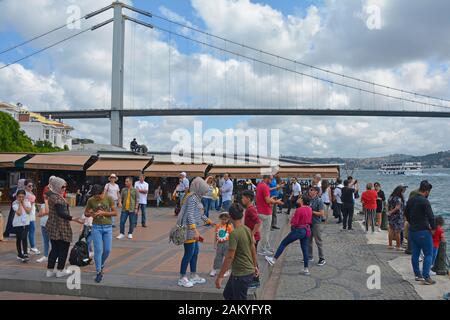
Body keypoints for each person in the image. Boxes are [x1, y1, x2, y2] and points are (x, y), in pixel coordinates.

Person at [215, 203, 259, 300]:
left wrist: (220, 276)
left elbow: (230, 257)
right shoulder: (247, 229)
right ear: (242, 215)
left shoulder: (234, 234)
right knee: (228, 294)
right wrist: (254, 265)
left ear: (230, 217)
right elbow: (253, 249)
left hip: (241, 274)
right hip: (241, 272)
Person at [177, 177, 213, 288]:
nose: (205, 191)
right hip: (189, 230)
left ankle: (193, 275)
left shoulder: (197, 198)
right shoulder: (192, 198)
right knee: (189, 253)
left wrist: (208, 221)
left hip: (192, 230)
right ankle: (182, 277)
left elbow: (199, 213)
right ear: (198, 187)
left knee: (195, 252)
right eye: (203, 188)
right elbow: (190, 215)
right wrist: (195, 230)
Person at [45, 177, 83, 278]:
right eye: (62, 186)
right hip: (61, 227)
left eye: (65, 186)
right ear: (57, 186)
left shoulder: (52, 195)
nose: (64, 188)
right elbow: (61, 213)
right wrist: (74, 218)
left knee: (54, 249)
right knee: (63, 249)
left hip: (53, 225)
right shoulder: (57, 198)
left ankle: (49, 271)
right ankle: (60, 270)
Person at [265, 195, 312, 275]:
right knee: (305, 249)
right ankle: (306, 268)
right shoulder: (310, 209)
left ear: (302, 200)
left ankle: (273, 260)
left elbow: (295, 222)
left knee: (284, 243)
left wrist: (291, 220)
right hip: (306, 230)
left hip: (298, 230)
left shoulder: (299, 210)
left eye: (300, 198)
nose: (298, 199)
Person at [404, 180, 436, 285]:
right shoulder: (425, 201)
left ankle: (418, 275)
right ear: (427, 191)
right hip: (423, 231)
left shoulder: (411, 200)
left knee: (415, 254)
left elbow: (406, 213)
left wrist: (411, 222)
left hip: (412, 231)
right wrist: (434, 228)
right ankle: (426, 276)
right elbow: (431, 217)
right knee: (428, 254)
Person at [85, 184, 118, 283]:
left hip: (108, 227)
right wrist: (92, 214)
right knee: (98, 250)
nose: (96, 197)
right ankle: (98, 271)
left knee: (107, 250)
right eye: (95, 196)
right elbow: (86, 213)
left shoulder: (109, 198)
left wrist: (103, 213)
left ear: (103, 192)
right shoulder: (91, 200)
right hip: (96, 227)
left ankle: (101, 263)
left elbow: (115, 213)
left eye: (98, 195)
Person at [256, 175, 284, 256]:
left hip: (260, 210)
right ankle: (262, 249)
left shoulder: (261, 184)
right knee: (266, 231)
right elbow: (268, 200)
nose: (272, 181)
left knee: (265, 230)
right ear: (266, 178)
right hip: (265, 211)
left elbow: (267, 193)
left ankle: (266, 246)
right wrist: (276, 202)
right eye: (271, 179)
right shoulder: (264, 186)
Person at [242, 190, 262, 288]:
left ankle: (255, 280)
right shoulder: (250, 208)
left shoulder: (250, 209)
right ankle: (252, 278)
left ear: (248, 198)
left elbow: (258, 222)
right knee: (251, 257)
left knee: (252, 258)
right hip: (253, 237)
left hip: (253, 238)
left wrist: (252, 235)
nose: (242, 199)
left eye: (243, 197)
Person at [209, 213, 233, 277]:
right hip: (220, 244)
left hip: (227, 243)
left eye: (225, 219)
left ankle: (227, 270)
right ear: (220, 219)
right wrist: (214, 243)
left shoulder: (229, 227)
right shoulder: (218, 226)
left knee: (227, 257)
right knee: (218, 257)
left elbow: (231, 236)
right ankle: (214, 269)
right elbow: (216, 235)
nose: (224, 221)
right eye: (222, 219)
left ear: (228, 219)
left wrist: (231, 245)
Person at [308, 187, 326, 266]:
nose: (310, 191)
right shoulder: (308, 200)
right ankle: (310, 256)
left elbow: (321, 214)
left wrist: (311, 212)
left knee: (318, 241)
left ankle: (322, 258)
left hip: (316, 223)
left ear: (316, 192)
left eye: (312, 190)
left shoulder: (319, 201)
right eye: (310, 190)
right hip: (308, 223)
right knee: (308, 241)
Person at [12, 190, 31, 262]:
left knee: (24, 237)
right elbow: (19, 213)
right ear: (17, 196)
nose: (21, 198)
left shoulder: (27, 202)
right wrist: (20, 204)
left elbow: (28, 211)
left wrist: (23, 204)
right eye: (19, 197)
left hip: (26, 223)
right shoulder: (14, 203)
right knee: (19, 238)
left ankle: (25, 253)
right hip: (17, 223)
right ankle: (19, 254)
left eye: (23, 197)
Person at [387, 186, 406, 250]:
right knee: (398, 231)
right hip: (398, 216)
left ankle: (390, 245)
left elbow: (387, 205)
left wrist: (389, 212)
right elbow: (397, 207)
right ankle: (398, 246)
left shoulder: (391, 197)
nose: (404, 191)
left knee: (391, 230)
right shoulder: (398, 198)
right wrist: (392, 212)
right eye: (403, 190)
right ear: (400, 191)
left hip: (391, 216)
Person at [24, 180, 40, 254]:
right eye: (29, 186)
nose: (31, 187)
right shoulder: (24, 193)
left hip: (31, 214)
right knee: (26, 231)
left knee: (32, 230)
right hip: (26, 214)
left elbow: (33, 203)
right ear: (25, 186)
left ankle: (32, 247)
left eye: (32, 186)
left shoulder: (31, 192)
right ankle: (27, 247)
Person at [36, 194, 50, 263]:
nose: (45, 198)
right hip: (43, 225)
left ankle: (55, 256)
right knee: (45, 241)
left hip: (51, 225)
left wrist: (43, 213)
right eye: (44, 197)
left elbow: (47, 212)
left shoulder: (53, 205)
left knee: (53, 242)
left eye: (46, 197)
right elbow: (38, 215)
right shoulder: (43, 205)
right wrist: (44, 213)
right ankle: (45, 256)